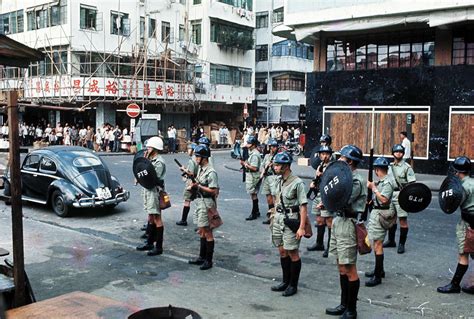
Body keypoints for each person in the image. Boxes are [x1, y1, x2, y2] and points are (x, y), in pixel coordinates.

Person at [326, 145, 366, 319]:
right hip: (338, 220)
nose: (339, 160)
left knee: (349, 267)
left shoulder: (356, 180)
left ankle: (351, 309)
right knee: (341, 265)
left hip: (348, 223)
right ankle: (343, 304)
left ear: (349, 161)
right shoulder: (344, 177)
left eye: (342, 157)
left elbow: (344, 199)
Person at [270, 151, 308, 297]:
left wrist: (302, 227)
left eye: (278, 165)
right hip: (279, 218)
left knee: (292, 252)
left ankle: (293, 285)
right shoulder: (278, 180)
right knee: (282, 251)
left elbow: (303, 206)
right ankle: (285, 281)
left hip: (291, 219)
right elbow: (276, 199)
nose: (275, 167)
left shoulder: (297, 183)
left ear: (286, 166)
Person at [437, 156, 474, 294]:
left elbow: (454, 203)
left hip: (467, 224)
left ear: (457, 172)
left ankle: (454, 285)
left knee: (463, 254)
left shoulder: (461, 187)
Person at [188, 144, 219, 270]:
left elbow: (214, 191)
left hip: (207, 203)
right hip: (200, 201)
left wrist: (198, 187)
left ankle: (208, 260)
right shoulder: (201, 169)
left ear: (204, 158)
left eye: (198, 156)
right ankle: (202, 256)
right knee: (201, 230)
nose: (196, 159)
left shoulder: (211, 172)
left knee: (208, 231)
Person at [365, 157, 394, 287]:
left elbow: (384, 200)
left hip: (381, 214)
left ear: (377, 170)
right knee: (377, 243)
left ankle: (377, 276)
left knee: (377, 245)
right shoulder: (382, 181)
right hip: (377, 212)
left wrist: (373, 189)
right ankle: (379, 270)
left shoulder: (387, 183)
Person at [136, 136, 167, 256]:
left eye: (149, 147)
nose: (147, 149)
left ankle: (158, 247)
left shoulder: (159, 162)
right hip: (148, 190)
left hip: (154, 191)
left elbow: (154, 178)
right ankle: (150, 242)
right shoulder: (149, 158)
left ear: (155, 148)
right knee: (151, 216)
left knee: (157, 218)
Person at [383, 144, 416, 253]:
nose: (398, 153)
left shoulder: (407, 167)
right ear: (392, 153)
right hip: (390, 194)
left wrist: (406, 196)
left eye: (401, 152)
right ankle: (391, 241)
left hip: (402, 195)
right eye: (396, 151)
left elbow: (412, 184)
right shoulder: (389, 166)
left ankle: (402, 244)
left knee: (402, 219)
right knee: (391, 219)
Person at [307, 145, 334, 258]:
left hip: (326, 195)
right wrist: (313, 183)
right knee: (319, 219)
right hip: (318, 193)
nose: (324, 156)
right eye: (322, 154)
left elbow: (333, 180)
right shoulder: (320, 165)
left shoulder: (333, 167)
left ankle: (330, 246)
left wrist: (322, 175)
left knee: (328, 220)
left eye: (326, 154)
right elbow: (316, 178)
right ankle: (319, 243)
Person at [176, 143, 199, 226]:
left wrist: (184, 170)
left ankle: (183, 220)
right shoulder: (198, 158)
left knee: (187, 201)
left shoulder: (192, 160)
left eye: (189, 149)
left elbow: (191, 173)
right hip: (198, 181)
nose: (188, 150)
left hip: (191, 182)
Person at [241, 136, 262, 221]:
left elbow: (254, 168)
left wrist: (245, 164)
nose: (248, 145)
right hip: (252, 175)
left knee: (253, 194)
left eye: (249, 143)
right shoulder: (252, 153)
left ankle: (254, 213)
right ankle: (256, 211)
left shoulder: (255, 154)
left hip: (253, 176)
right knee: (253, 194)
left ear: (253, 145)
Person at [261, 138, 279, 224]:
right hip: (266, 178)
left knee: (275, 197)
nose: (274, 148)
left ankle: (275, 217)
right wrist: (263, 171)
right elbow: (262, 166)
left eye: (275, 146)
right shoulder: (266, 156)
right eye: (272, 146)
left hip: (274, 177)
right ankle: (270, 215)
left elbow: (279, 170)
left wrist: (272, 166)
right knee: (269, 199)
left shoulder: (278, 157)